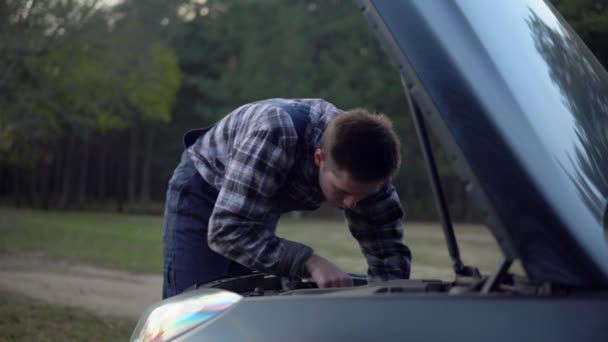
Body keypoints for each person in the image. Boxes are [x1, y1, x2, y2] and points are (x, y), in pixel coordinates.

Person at [162, 98, 411, 299]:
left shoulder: (372, 170)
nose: (351, 204)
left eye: (363, 195)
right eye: (342, 191)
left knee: (243, 317)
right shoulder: (276, 134)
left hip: (259, 202)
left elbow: (389, 259)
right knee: (194, 311)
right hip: (204, 190)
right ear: (319, 159)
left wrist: (385, 306)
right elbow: (228, 231)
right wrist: (309, 261)